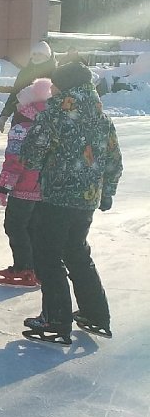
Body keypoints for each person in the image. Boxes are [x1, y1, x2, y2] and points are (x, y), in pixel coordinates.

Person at [18, 61, 123, 345]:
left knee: (48, 256)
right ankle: (96, 314)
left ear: (65, 86)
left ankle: (56, 319)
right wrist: (107, 192)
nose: (51, 88)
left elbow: (30, 154)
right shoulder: (102, 118)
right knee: (77, 251)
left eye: (55, 84)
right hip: (87, 200)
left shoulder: (55, 114)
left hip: (57, 198)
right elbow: (114, 160)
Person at [0, 77, 53, 287]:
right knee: (35, 228)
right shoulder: (53, 121)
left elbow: (14, 159)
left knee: (15, 225)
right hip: (45, 187)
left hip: (24, 187)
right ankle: (36, 267)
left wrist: (4, 187)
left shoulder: (22, 125)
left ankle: (25, 267)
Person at [0, 41, 57, 133]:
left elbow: (57, 97)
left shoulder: (54, 73)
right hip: (21, 116)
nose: (36, 56)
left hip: (43, 118)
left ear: (47, 56)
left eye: (40, 54)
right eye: (34, 54)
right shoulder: (25, 72)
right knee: (17, 144)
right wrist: (5, 114)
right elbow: (15, 93)